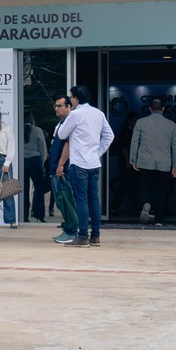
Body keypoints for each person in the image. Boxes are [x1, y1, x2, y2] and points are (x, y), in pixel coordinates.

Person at [54, 84, 114, 247]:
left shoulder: (75, 114)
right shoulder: (98, 113)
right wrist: (98, 152)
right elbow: (109, 135)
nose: (71, 100)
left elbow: (61, 134)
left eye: (71, 97)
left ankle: (82, 236)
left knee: (81, 201)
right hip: (94, 163)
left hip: (79, 163)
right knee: (93, 200)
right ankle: (95, 235)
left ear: (75, 98)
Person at [129, 96, 176, 224]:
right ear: (163, 109)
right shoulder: (171, 125)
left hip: (145, 161)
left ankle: (147, 203)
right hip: (164, 163)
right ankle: (159, 220)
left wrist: (133, 159)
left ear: (150, 109)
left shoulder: (140, 122)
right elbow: (175, 146)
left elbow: (134, 142)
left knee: (144, 186)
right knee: (161, 191)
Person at [46, 96, 82, 245]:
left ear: (69, 107)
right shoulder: (59, 124)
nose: (56, 108)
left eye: (60, 106)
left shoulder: (69, 123)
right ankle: (68, 228)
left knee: (66, 199)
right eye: (55, 106)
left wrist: (61, 165)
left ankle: (72, 231)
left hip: (63, 169)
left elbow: (67, 145)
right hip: (55, 168)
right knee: (60, 201)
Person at [23, 114, 48, 222]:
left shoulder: (19, 130)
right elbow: (43, 147)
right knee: (39, 189)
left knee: (23, 190)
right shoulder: (38, 130)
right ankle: (39, 215)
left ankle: (24, 216)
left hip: (22, 160)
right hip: (35, 159)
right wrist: (42, 162)